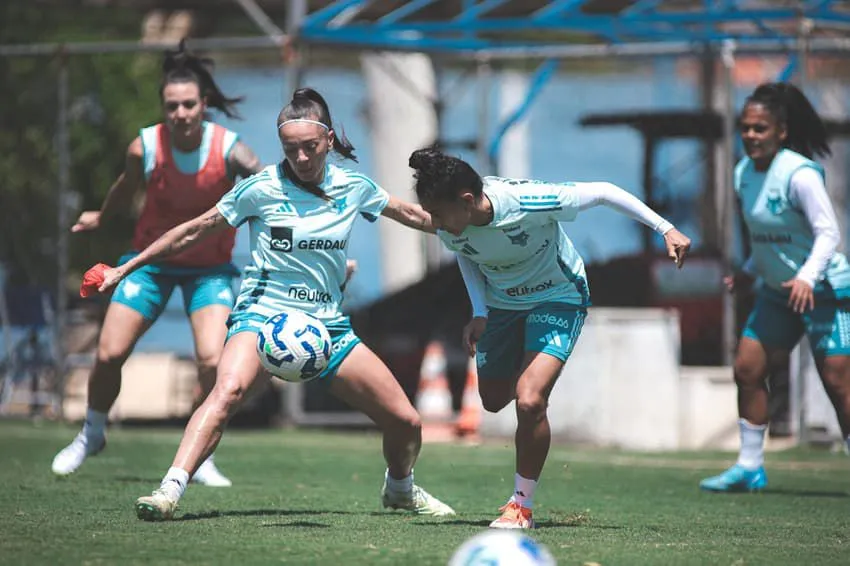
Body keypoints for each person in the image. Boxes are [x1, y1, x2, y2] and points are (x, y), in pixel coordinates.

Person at [94, 87, 456, 521]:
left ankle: (399, 488)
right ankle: (168, 490)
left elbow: (414, 216)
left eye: (310, 147)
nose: (301, 158)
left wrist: (475, 223)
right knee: (225, 392)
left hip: (328, 327)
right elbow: (194, 230)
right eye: (290, 149)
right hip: (262, 317)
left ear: (329, 140)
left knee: (406, 422)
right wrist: (126, 268)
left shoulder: (353, 186)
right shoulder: (261, 189)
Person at [408, 147, 692, 529]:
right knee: (492, 401)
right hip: (503, 305)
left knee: (529, 401)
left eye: (438, 214)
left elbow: (606, 191)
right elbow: (468, 255)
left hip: (558, 296)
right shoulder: (453, 225)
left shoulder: (529, 201)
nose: (435, 223)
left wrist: (665, 229)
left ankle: (520, 506)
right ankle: (530, 391)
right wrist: (479, 312)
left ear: (468, 200)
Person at [51, 42, 263, 487]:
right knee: (109, 353)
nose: (181, 112)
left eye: (189, 104)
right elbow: (126, 187)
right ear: (164, 107)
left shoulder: (230, 151)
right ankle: (92, 432)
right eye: (172, 105)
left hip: (209, 269)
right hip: (150, 263)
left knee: (211, 360)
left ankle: (199, 452)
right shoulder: (144, 146)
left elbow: (266, 188)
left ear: (203, 105)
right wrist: (101, 217)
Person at [700, 82, 850, 492]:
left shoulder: (799, 174)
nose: (750, 136)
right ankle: (750, 467)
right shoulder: (742, 173)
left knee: (839, 383)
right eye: (745, 128)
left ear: (780, 131)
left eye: (759, 128)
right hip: (777, 291)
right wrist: (749, 268)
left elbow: (827, 234)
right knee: (747, 368)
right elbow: (770, 237)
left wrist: (807, 277)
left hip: (825, 290)